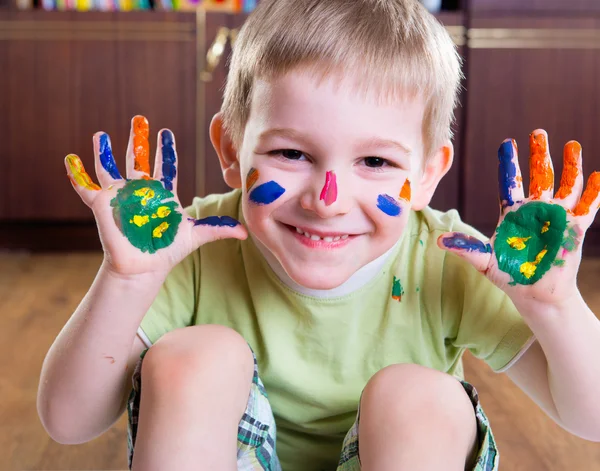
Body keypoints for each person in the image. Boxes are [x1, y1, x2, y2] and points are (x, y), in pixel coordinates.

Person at [37, 0, 600, 470]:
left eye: (376, 161)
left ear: (427, 174)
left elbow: (590, 418)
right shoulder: (192, 246)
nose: (327, 200)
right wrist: (125, 280)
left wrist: (555, 307)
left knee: (421, 396)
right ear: (232, 151)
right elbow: (67, 420)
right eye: (290, 153)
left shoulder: (447, 259)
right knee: (194, 358)